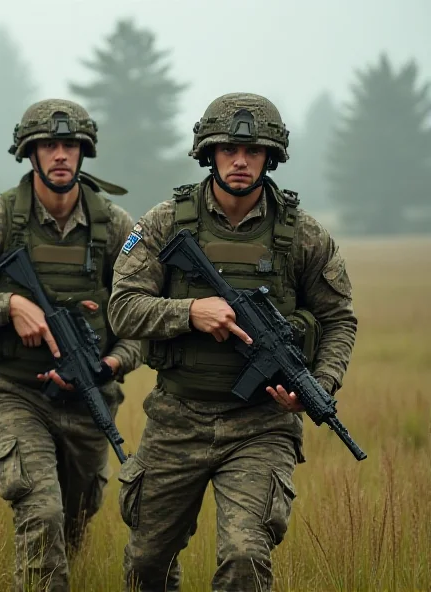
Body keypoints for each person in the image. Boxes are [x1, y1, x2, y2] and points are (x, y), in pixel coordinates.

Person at [107, 92, 358, 592]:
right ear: (208, 153)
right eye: (227, 150)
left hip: (261, 426)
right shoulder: (164, 223)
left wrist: (318, 384)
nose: (240, 161)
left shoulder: (302, 235)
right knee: (146, 564)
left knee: (244, 557)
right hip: (177, 417)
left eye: (253, 152)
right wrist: (189, 312)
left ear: (271, 158)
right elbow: (122, 308)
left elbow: (339, 321)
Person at [0, 99, 141, 592]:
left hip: (91, 399)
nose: (60, 155)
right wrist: (8, 307)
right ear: (30, 153)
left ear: (84, 153)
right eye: (49, 146)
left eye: (69, 145)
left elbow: (142, 314)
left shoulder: (115, 227)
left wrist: (114, 361)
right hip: (18, 392)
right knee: (40, 511)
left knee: (77, 517)